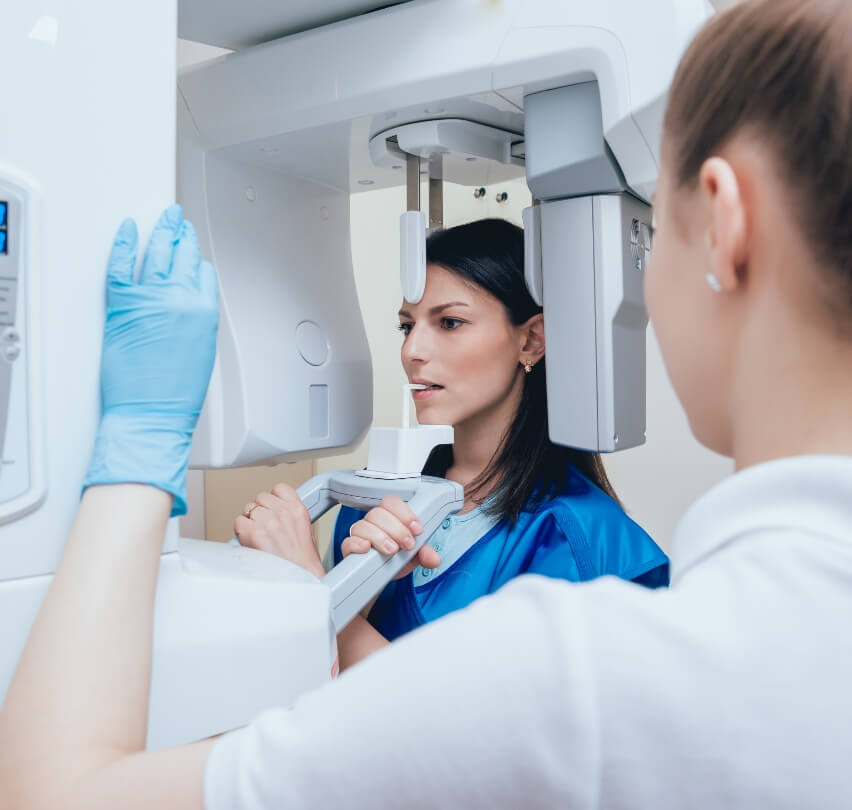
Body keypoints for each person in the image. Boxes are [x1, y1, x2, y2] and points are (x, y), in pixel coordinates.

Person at [2, 1, 852, 807]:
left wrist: (144, 454)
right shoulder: (389, 509)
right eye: (408, 323)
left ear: (728, 223)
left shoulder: (586, 634)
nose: (414, 349)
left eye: (652, 231)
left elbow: (59, 793)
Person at [235, 219, 668, 669]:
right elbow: (316, 692)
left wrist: (310, 588)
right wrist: (354, 595)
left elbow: (477, 732)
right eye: (407, 326)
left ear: (532, 339)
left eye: (449, 322)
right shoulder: (373, 503)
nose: (412, 351)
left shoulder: (578, 536)